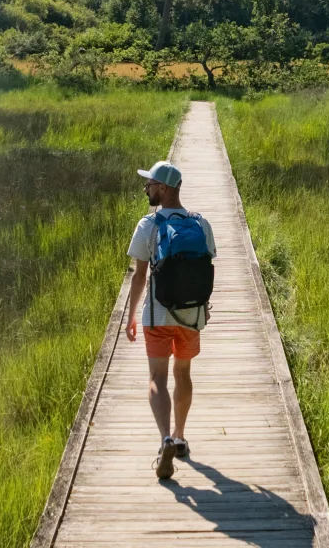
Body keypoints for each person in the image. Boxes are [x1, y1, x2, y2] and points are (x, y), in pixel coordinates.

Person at [125, 160, 216, 480]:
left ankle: (164, 438)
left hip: (158, 314)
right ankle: (179, 437)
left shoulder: (148, 225)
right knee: (183, 372)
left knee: (157, 379)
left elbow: (139, 278)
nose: (146, 189)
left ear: (163, 188)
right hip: (191, 315)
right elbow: (206, 266)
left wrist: (132, 315)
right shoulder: (201, 224)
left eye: (149, 184)